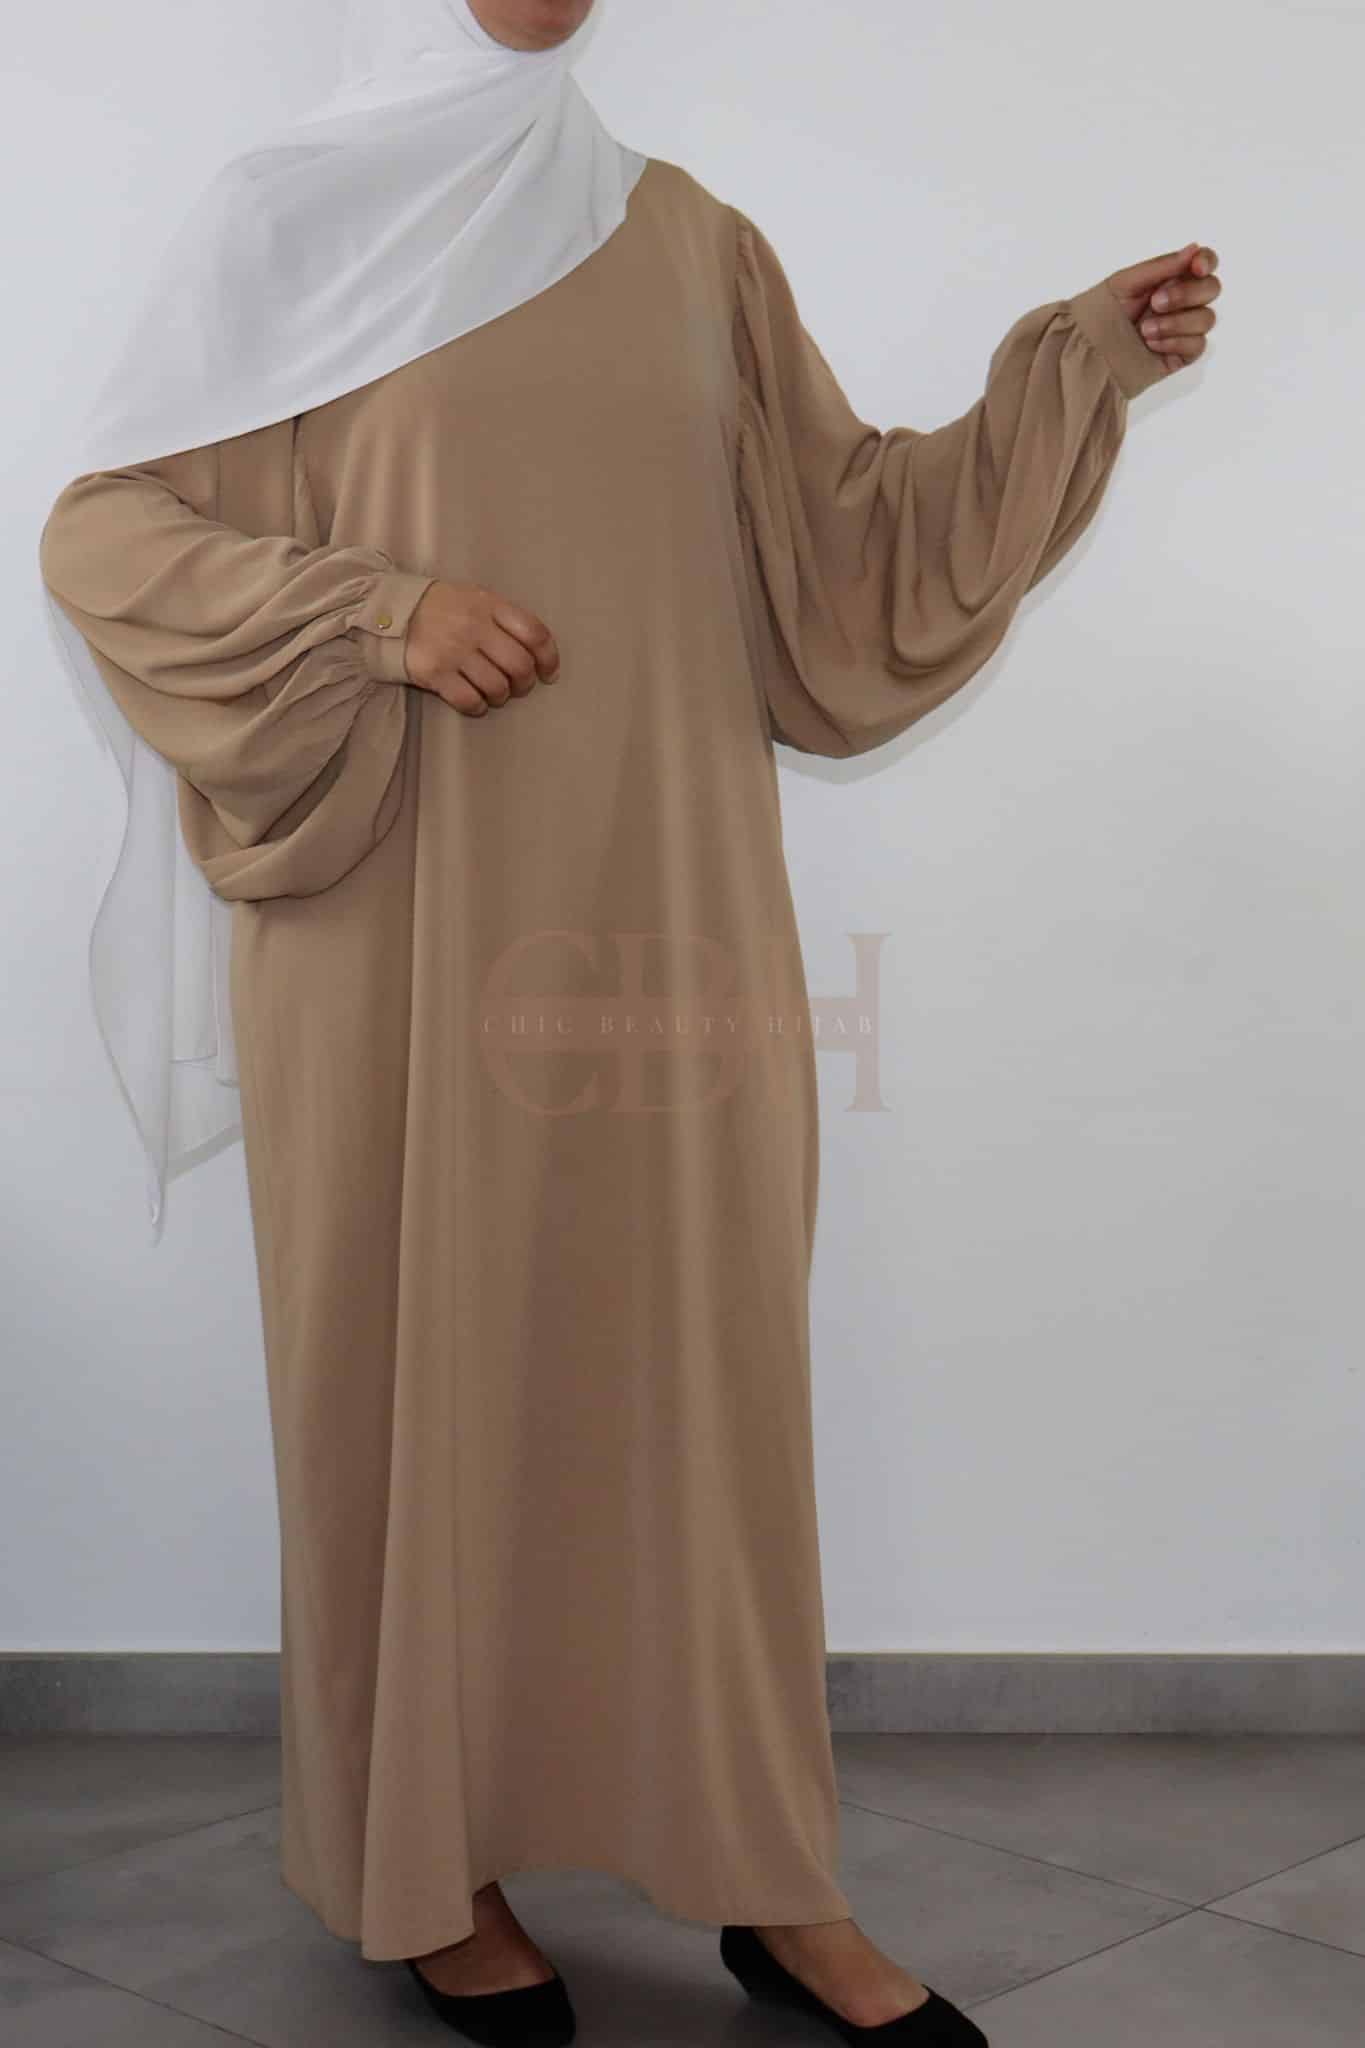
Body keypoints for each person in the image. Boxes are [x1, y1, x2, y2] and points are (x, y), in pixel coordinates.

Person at [37, 2, 1219, 2043]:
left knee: (693, 1366)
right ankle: (432, 1870)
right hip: (403, 919)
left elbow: (838, 560)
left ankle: (764, 1872)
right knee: (418, 1358)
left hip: (664, 914)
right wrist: (379, 614)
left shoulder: (682, 238)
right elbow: (108, 535)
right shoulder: (294, 215)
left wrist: (1070, 371)